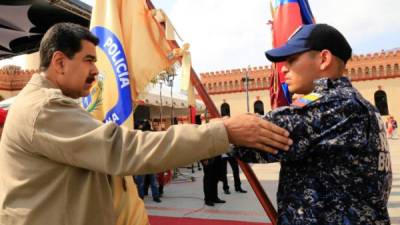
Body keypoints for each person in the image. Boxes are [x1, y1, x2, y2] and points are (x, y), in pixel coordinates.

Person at [0, 22, 292, 225]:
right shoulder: (44, 108)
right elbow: (124, 150)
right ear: (60, 62)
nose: (95, 70)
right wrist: (223, 131)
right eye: (88, 60)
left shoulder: (48, 105)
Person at [234, 23, 392, 224]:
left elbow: (247, 141)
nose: (283, 69)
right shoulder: (360, 104)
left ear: (324, 59)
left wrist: (222, 128)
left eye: (292, 60)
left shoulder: (336, 105)